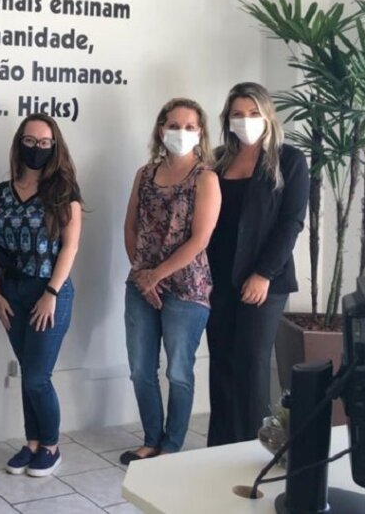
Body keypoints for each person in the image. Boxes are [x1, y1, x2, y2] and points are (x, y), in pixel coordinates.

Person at [206, 82, 309, 446]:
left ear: (267, 116)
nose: (245, 120)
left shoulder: (289, 160)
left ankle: (251, 449)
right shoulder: (217, 161)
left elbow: (291, 223)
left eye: (253, 113)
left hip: (266, 281)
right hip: (218, 280)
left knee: (251, 365)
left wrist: (263, 273)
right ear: (227, 119)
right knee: (221, 364)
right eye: (237, 114)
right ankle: (219, 448)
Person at [119, 98, 221, 464]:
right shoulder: (145, 174)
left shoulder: (205, 178)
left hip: (187, 289)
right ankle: (151, 439)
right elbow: (130, 227)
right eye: (173, 125)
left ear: (200, 132)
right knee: (141, 369)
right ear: (161, 129)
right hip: (141, 286)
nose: (181, 132)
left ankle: (172, 445)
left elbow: (200, 239)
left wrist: (156, 276)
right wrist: (143, 277)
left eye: (189, 126)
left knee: (179, 371)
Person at [0, 114, 83, 477]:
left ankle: (51, 447)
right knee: (29, 371)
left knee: (36, 377)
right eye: (29, 141)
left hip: (49, 293)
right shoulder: (1, 192)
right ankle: (31, 444)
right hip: (12, 293)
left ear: (54, 147)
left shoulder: (65, 192)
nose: (36, 148)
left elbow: (70, 247)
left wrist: (51, 292)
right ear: (19, 143)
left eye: (44, 143)